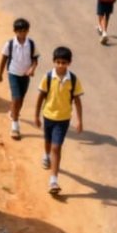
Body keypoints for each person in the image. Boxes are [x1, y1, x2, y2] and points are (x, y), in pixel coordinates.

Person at [34, 47, 84, 195]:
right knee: (48, 142)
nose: (61, 65)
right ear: (54, 62)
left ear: (69, 63)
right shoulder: (48, 77)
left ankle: (53, 181)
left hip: (63, 120)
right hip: (48, 115)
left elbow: (77, 101)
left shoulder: (73, 80)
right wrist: (36, 116)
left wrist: (79, 120)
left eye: (64, 63)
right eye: (58, 62)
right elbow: (40, 97)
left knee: (56, 147)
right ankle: (46, 155)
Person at [0, 18, 39, 141]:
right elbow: (4, 59)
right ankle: (15, 126)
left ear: (28, 31)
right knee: (17, 98)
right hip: (13, 73)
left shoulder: (31, 44)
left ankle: (13, 113)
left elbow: (35, 59)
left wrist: (32, 69)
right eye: (20, 31)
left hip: (25, 75)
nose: (22, 33)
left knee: (21, 100)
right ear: (15, 31)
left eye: (24, 31)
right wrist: (0, 73)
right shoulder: (10, 44)